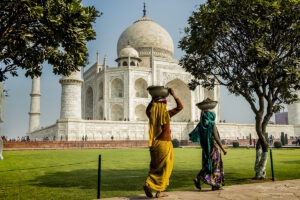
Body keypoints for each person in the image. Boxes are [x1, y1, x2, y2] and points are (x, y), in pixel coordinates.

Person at [143, 88, 183, 198]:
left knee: (155, 166)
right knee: (166, 167)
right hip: (165, 144)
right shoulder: (166, 114)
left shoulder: (152, 115)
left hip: (154, 144)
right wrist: (174, 95)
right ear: (164, 105)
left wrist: (152, 100)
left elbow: (147, 111)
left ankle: (148, 183)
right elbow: (180, 107)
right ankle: (160, 191)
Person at [189, 98, 227, 191]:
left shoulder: (201, 124)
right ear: (211, 116)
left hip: (206, 147)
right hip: (214, 147)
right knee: (215, 165)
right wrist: (223, 148)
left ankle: (198, 178)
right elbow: (217, 138)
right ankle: (215, 184)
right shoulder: (211, 124)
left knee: (207, 164)